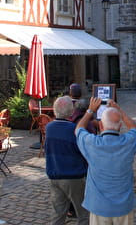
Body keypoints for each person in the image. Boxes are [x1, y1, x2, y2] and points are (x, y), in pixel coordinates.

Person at [75, 97, 136, 225]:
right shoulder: (128, 142)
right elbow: (134, 128)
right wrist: (119, 110)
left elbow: (78, 129)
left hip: (99, 206)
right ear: (120, 126)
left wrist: (90, 111)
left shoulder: (92, 143)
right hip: (123, 206)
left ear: (101, 125)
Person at [45, 96, 89, 225]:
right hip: (73, 175)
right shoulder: (73, 129)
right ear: (71, 111)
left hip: (55, 174)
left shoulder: (49, 127)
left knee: (58, 213)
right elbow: (83, 151)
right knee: (83, 213)